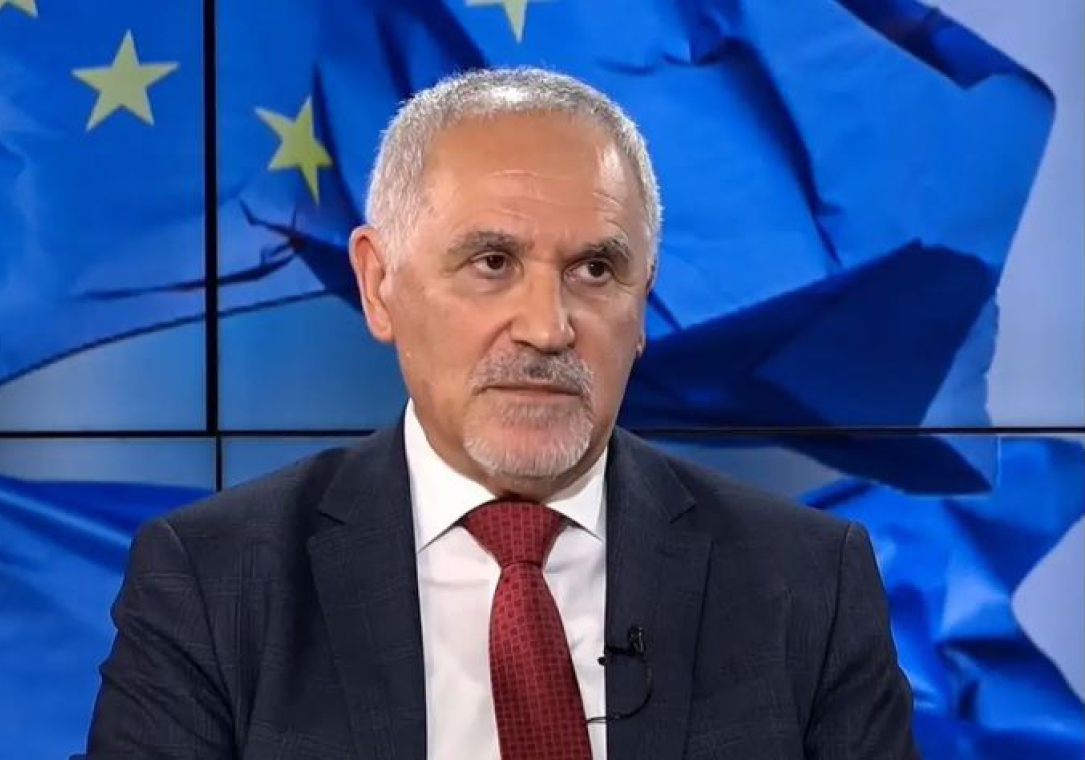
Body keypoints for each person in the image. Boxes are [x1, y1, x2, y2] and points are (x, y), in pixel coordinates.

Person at [85, 67, 917, 759]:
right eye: (492, 262)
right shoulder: (216, 581)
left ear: (642, 306)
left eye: (596, 270)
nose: (547, 328)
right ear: (379, 285)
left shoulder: (809, 583)